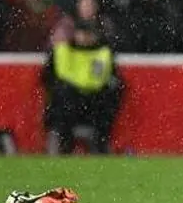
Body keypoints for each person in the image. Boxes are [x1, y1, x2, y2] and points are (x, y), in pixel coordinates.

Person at [42, 20, 123, 154]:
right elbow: (48, 78)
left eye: (88, 33)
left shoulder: (103, 53)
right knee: (61, 97)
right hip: (69, 101)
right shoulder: (63, 51)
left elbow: (107, 80)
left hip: (93, 101)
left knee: (108, 97)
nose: (85, 37)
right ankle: (63, 143)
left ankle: (99, 144)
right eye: (82, 33)